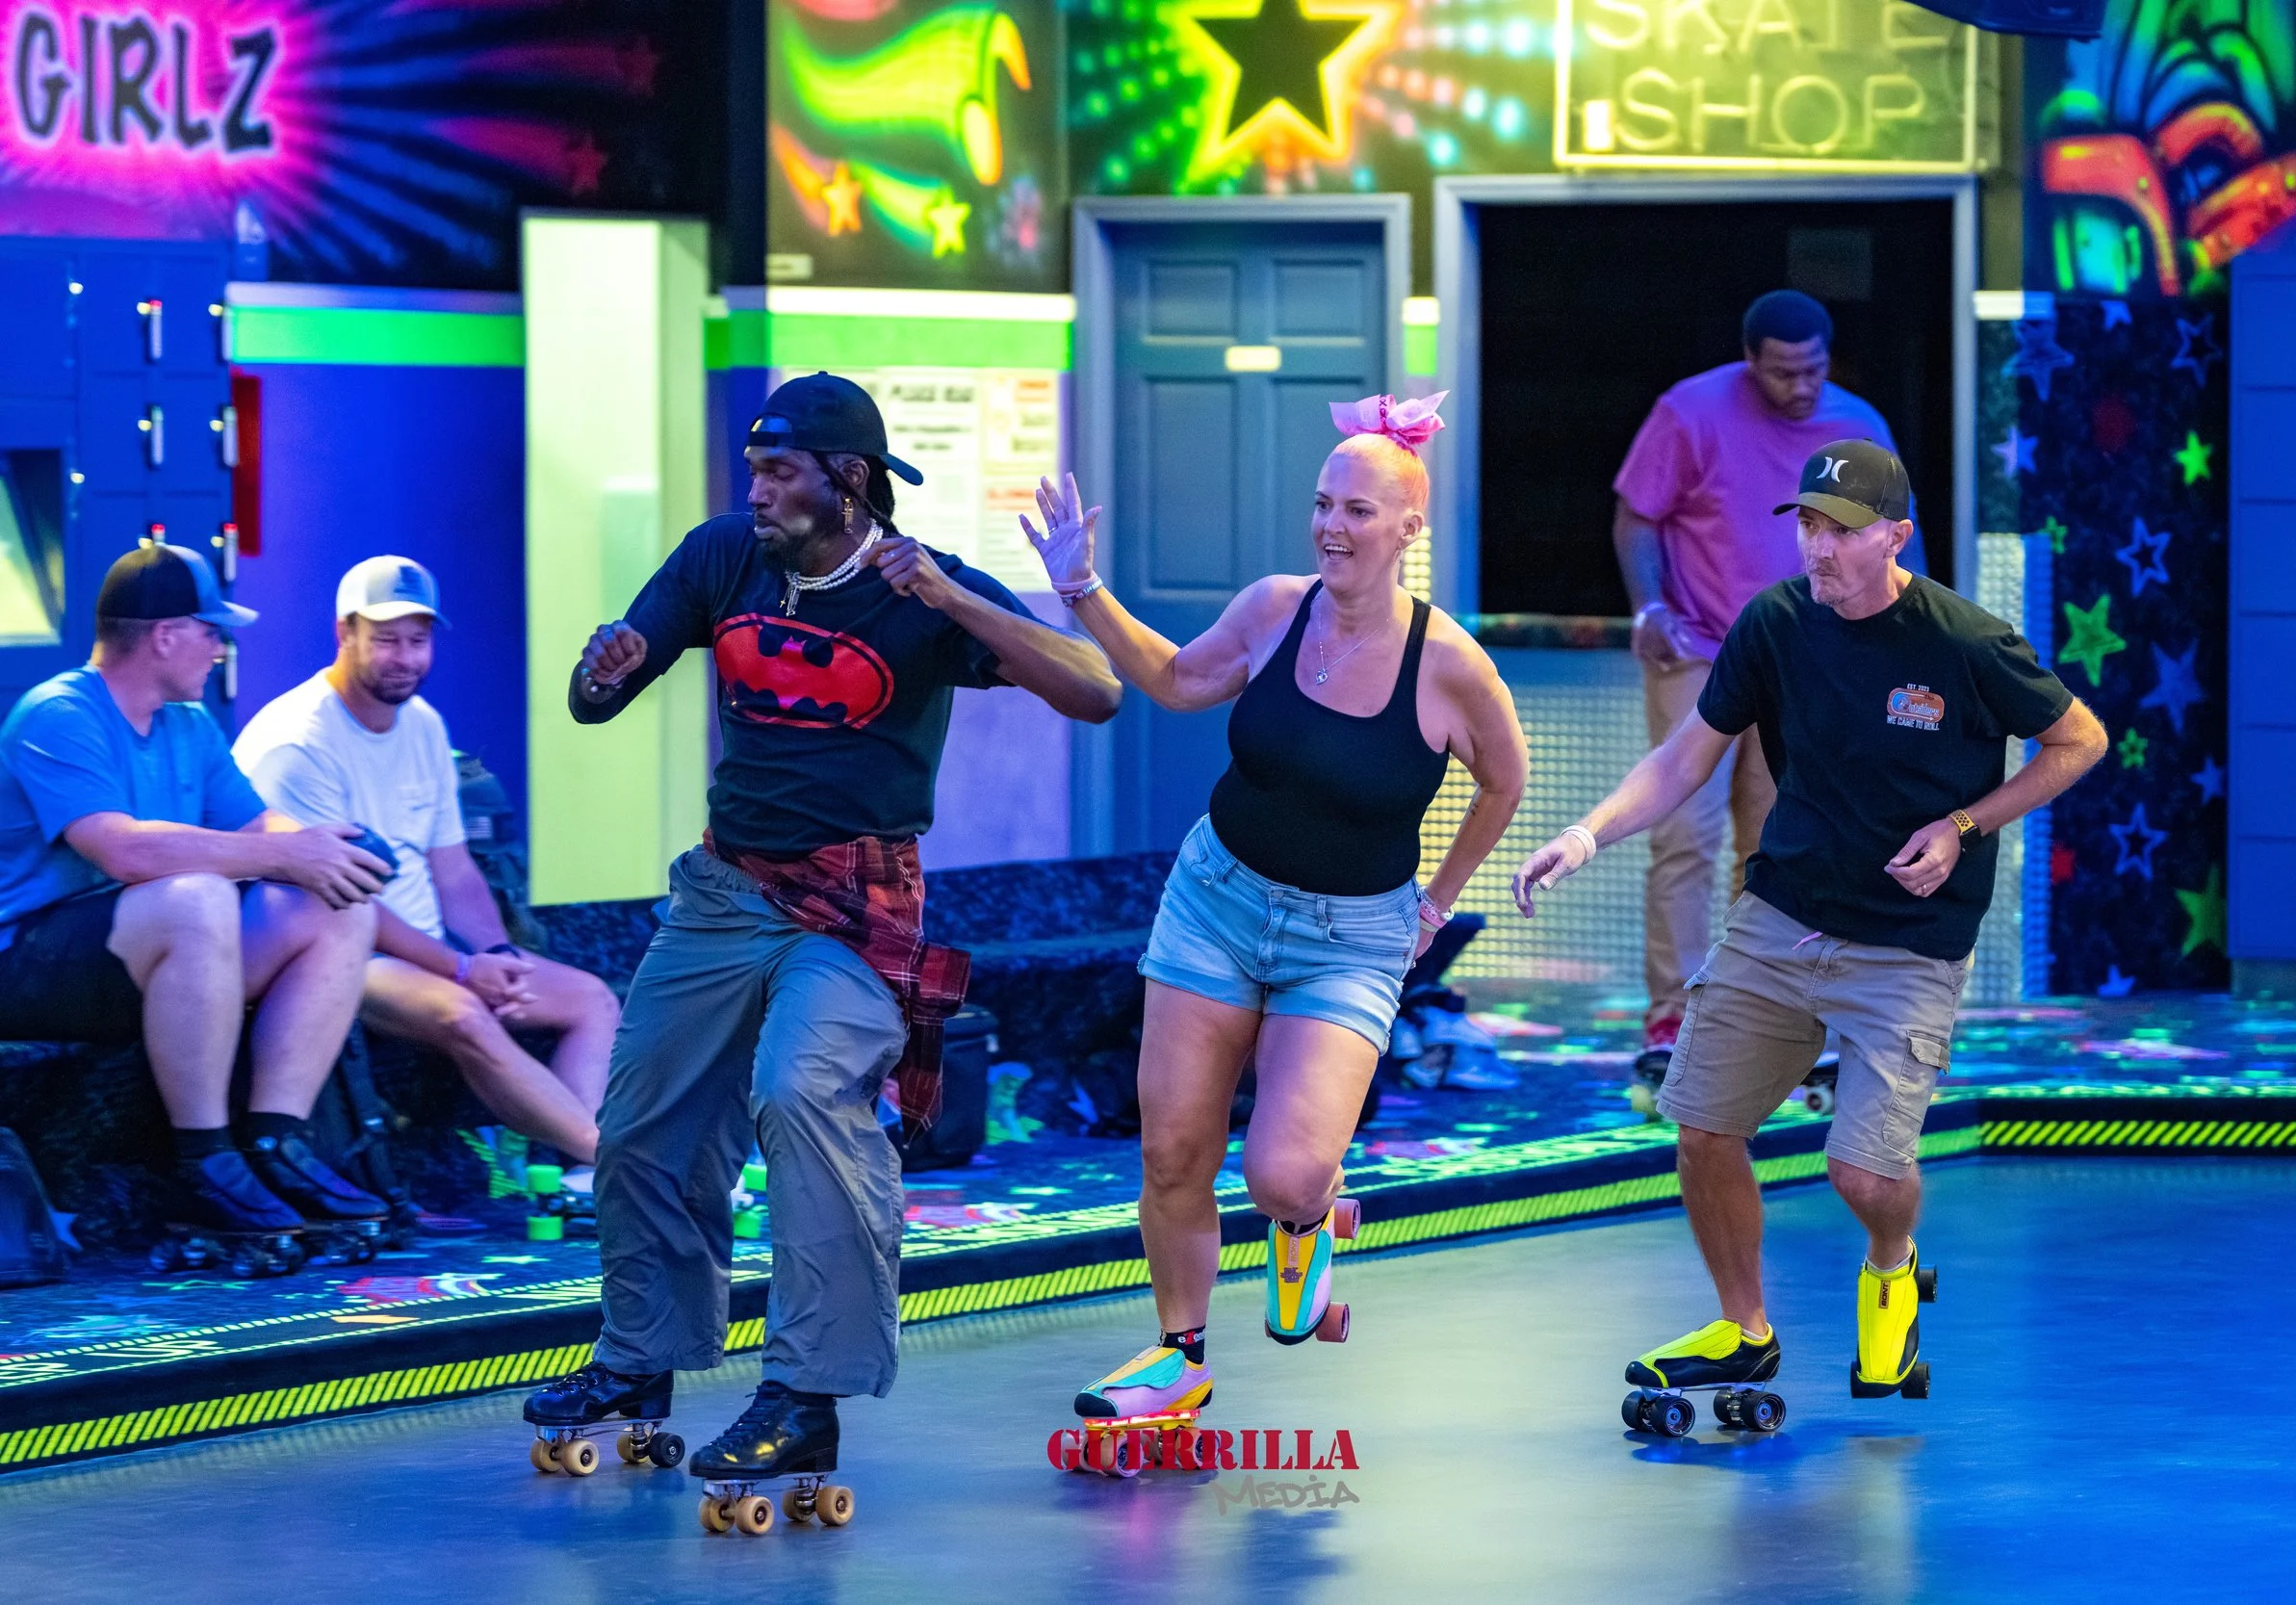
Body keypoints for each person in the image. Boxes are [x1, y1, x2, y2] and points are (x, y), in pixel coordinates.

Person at [520, 374, 1121, 1493]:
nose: (753, 489)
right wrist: (600, 672)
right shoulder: (722, 556)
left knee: (802, 1093)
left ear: (847, 479)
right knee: (644, 1114)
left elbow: (1097, 690)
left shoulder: (916, 588)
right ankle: (641, 1354)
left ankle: (805, 1392)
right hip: (723, 889)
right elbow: (600, 686)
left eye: (777, 470)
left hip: (857, 908)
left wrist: (954, 602)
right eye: (752, 468)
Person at [1514, 441, 2105, 1405]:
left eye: (1839, 531)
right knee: (1701, 1124)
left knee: (1863, 1174)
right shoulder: (1776, 623)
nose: (1815, 548)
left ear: (1894, 537)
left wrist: (1963, 823)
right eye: (1805, 526)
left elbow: (2079, 737)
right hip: (1780, 915)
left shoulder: (1964, 640)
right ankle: (1744, 1328)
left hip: (1907, 941)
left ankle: (1893, 1263)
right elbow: (1683, 758)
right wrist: (1584, 836)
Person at [1033, 394, 1529, 1420]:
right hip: (1216, 899)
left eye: (1357, 510)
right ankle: (1179, 1353)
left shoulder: (1450, 664)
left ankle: (1307, 1217)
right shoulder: (1272, 607)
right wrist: (1079, 586)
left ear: (1407, 528)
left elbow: (1504, 782)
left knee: (1284, 1172)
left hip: (1348, 938)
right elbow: (1175, 680)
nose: (1332, 527)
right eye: (1321, 504)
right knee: (1172, 1146)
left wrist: (1434, 902)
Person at [0, 543, 391, 1252]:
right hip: (22, 961)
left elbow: (255, 825)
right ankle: (204, 1159)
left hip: (138, 953)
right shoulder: (57, 714)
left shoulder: (190, 724)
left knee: (335, 899)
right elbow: (123, 850)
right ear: (165, 635)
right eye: (211, 630)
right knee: (197, 897)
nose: (219, 647)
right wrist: (281, 852)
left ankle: (278, 1142)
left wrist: (322, 845)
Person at [1612, 291, 1924, 1087]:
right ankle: (1674, 1009)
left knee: (1783, 843)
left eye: (1813, 368)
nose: (1801, 386)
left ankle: (1771, 1006)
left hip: (1805, 660)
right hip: (1702, 652)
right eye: (1783, 372)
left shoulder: (1857, 428)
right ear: (1752, 361)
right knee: (1686, 833)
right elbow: (1636, 516)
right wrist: (1650, 605)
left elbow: (1894, 545)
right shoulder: (1690, 411)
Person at [234, 557, 623, 1180]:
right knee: (465, 1014)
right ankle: (611, 1164)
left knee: (591, 998)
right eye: (386, 639)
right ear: (345, 634)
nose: (405, 658)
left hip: (439, 952)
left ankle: (578, 1180)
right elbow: (342, 902)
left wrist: (496, 953)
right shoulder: (295, 741)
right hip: (337, 957)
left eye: (418, 641)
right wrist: (465, 970)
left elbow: (456, 871)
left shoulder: (423, 725)